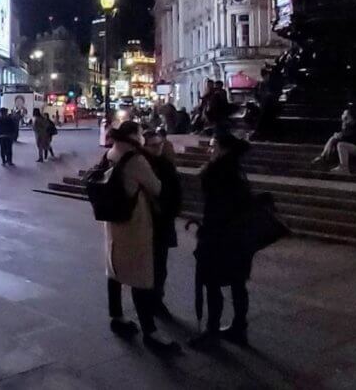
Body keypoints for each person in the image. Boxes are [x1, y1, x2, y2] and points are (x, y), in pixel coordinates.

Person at [102, 121, 180, 354]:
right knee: (141, 278)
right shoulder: (135, 160)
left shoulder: (111, 152)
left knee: (114, 270)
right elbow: (157, 188)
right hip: (135, 223)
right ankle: (151, 332)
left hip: (114, 222)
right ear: (135, 136)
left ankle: (117, 316)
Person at [189, 130, 254, 349]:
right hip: (239, 237)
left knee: (212, 284)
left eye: (213, 146)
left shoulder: (217, 172)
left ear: (223, 149)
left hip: (219, 237)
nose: (210, 150)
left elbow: (216, 207)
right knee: (237, 284)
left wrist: (206, 232)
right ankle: (239, 327)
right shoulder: (237, 171)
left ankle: (213, 331)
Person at [142, 129, 182, 319]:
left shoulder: (166, 165)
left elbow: (176, 194)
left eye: (160, 145)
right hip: (146, 223)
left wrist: (170, 211)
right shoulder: (142, 165)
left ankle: (157, 300)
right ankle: (148, 301)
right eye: (153, 145)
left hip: (163, 222)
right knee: (148, 265)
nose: (158, 148)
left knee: (160, 266)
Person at [315, 107, 356, 174]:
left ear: (351, 117)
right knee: (333, 138)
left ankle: (344, 167)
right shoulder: (346, 125)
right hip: (352, 146)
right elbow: (344, 135)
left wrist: (340, 136)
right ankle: (323, 157)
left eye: (345, 114)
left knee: (341, 145)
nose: (343, 116)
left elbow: (351, 137)